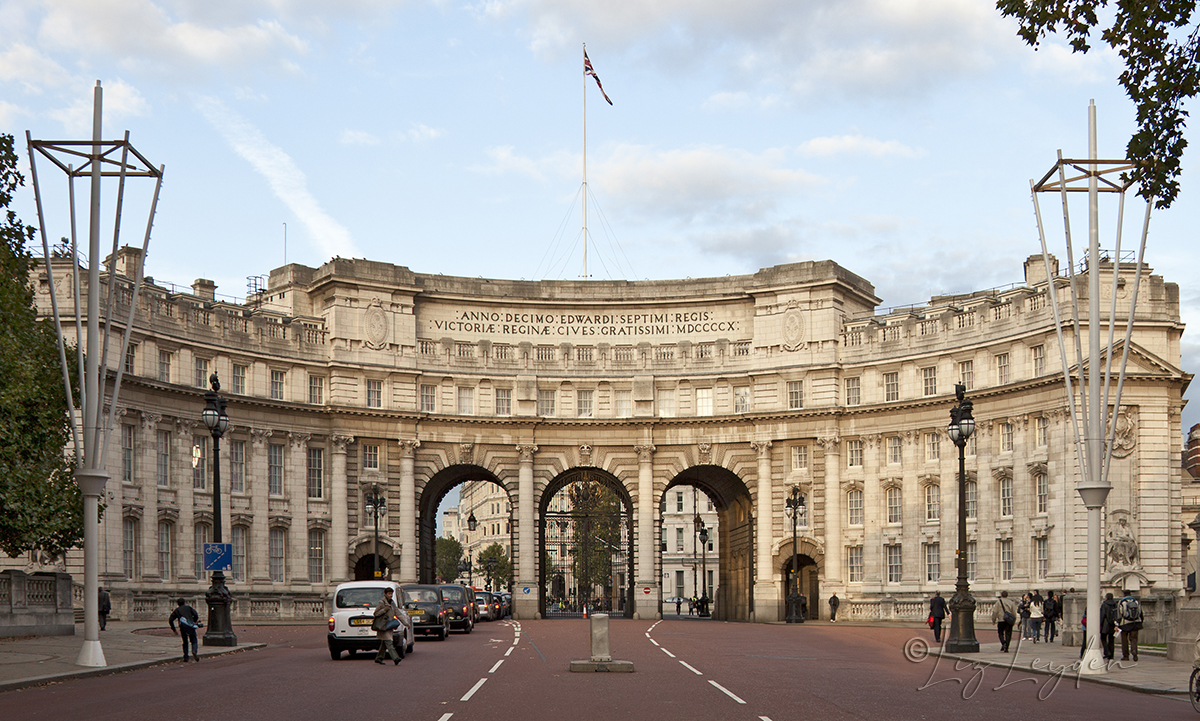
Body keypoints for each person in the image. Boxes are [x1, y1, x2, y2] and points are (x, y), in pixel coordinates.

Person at [373, 587, 403, 665]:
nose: (390, 595)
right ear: (385, 594)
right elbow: (376, 613)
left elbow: (398, 613)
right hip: (383, 626)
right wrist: (384, 610)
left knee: (384, 643)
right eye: (389, 594)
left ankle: (379, 658)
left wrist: (406, 623)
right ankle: (396, 658)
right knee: (389, 642)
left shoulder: (392, 603)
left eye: (391, 594)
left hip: (389, 626)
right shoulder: (381, 602)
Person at [168, 598, 201, 662]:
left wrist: (174, 629)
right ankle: (194, 651)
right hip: (190, 626)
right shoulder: (188, 608)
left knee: (185, 642)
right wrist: (194, 621)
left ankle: (186, 657)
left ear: (178, 604)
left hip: (183, 627)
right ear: (184, 602)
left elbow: (170, 619)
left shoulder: (177, 610)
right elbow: (195, 614)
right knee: (194, 640)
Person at [1118, 592, 1144, 662]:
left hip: (1125, 623)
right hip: (1135, 623)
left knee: (1124, 640)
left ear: (1124, 595)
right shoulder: (1136, 601)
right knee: (1134, 639)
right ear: (1130, 594)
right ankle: (1134, 651)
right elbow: (1140, 612)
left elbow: (1119, 613)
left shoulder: (1122, 602)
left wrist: (1118, 623)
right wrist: (1140, 621)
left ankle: (1126, 655)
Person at [1099, 592, 1120, 660]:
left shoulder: (1104, 605)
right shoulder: (1115, 605)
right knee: (1111, 640)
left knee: (1103, 638)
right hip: (1113, 624)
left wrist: (1100, 624)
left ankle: (1107, 652)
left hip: (1105, 623)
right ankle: (1111, 654)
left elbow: (1102, 615)